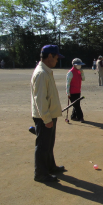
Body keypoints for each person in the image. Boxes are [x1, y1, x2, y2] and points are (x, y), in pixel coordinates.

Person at [31, 45, 66, 182]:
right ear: (50, 56)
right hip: (44, 117)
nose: (57, 60)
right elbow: (40, 100)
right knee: (43, 146)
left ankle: (50, 167)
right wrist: (46, 119)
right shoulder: (41, 73)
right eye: (56, 57)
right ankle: (40, 173)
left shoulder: (46, 71)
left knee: (49, 144)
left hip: (49, 115)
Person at [66, 58, 86, 122]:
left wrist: (82, 73)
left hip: (78, 91)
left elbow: (83, 79)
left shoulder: (79, 72)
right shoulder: (70, 72)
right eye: (78, 65)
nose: (79, 66)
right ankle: (80, 117)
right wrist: (68, 92)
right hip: (72, 92)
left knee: (76, 105)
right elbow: (68, 83)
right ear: (74, 65)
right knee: (77, 106)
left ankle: (73, 116)